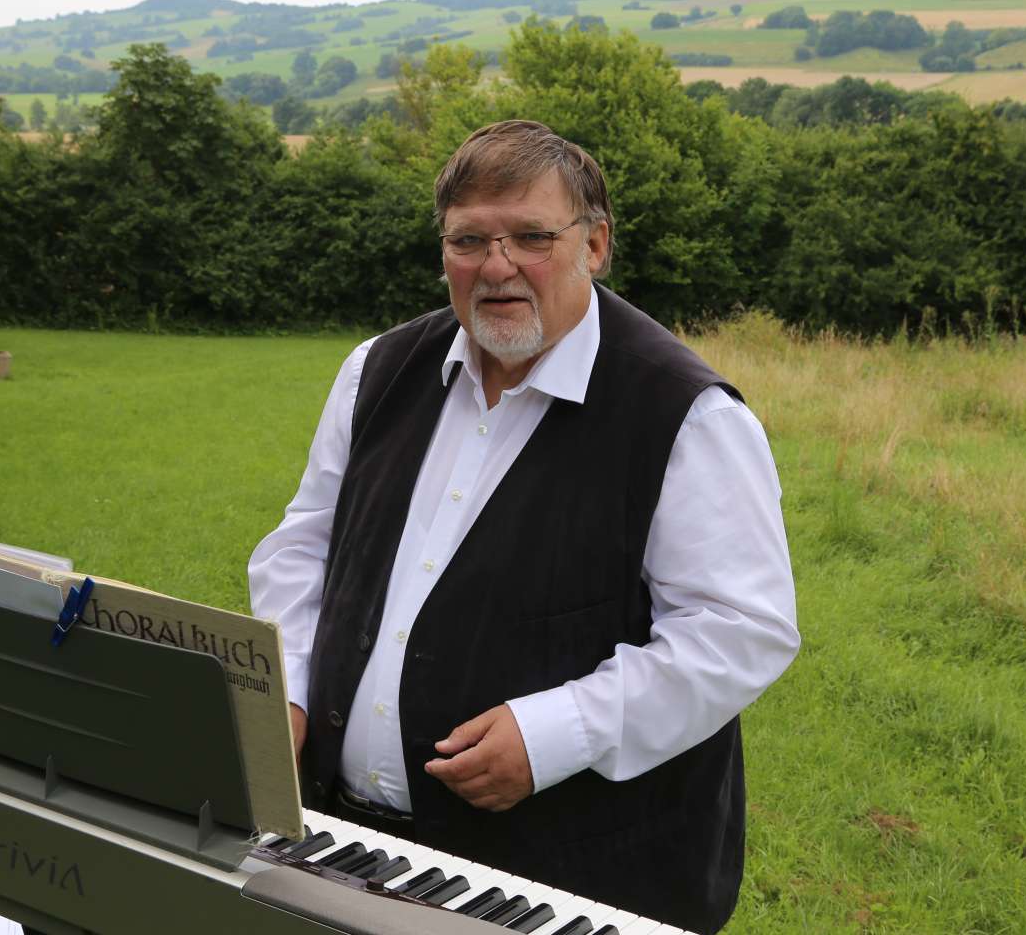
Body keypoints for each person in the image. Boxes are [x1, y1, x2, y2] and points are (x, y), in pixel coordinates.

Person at [247, 119, 798, 933]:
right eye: (470, 239)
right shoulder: (376, 371)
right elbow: (305, 548)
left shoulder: (684, 414)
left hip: (570, 880)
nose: (497, 266)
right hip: (346, 844)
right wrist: (288, 687)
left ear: (596, 244)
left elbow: (740, 631)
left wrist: (558, 733)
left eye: (531, 237)